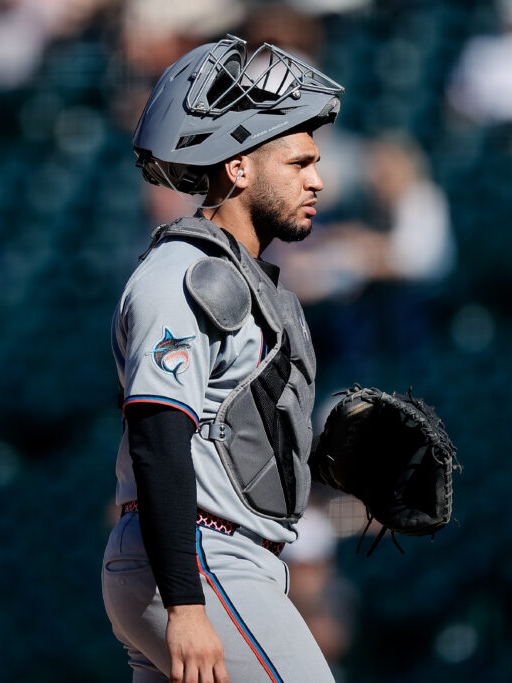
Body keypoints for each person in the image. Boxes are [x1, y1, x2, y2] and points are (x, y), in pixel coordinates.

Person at [101, 35, 343, 682]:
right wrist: (185, 603)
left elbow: (231, 436)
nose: (317, 179)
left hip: (214, 554)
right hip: (200, 557)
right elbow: (157, 434)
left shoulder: (242, 278)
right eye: (298, 162)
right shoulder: (184, 272)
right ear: (238, 168)